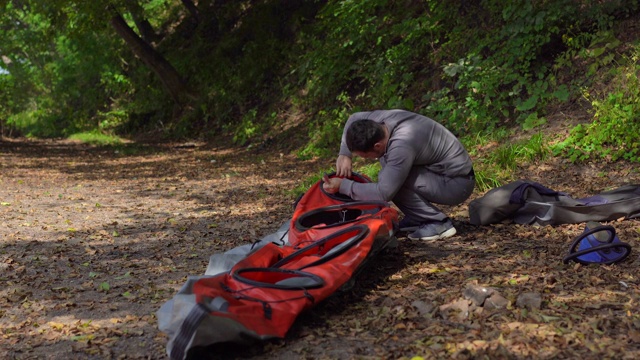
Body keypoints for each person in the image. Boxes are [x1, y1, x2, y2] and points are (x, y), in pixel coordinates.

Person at [322, 109, 475, 241]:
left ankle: (438, 223)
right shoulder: (380, 122)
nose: (364, 159)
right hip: (439, 174)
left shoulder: (401, 145)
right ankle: (417, 217)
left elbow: (383, 192)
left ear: (377, 146)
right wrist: (344, 154)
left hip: (457, 183)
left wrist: (343, 186)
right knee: (389, 174)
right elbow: (354, 118)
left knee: (389, 179)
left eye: (364, 156)